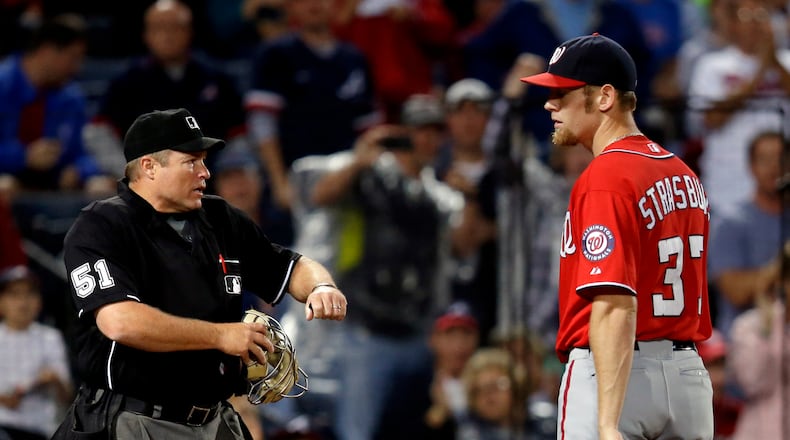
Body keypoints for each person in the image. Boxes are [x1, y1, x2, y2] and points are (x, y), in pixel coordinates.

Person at [52, 107, 347, 440]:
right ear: (149, 167)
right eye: (191, 162)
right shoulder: (103, 225)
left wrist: (321, 286)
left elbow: (292, 266)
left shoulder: (220, 218)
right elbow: (120, 322)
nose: (205, 173)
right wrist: (220, 336)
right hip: (136, 419)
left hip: (214, 415)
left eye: (203, 161)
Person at [520, 33, 713, 439]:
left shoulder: (605, 177)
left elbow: (613, 304)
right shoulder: (683, 172)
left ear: (605, 97)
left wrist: (608, 424)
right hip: (688, 377)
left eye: (564, 93)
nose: (549, 104)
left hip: (616, 374)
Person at [83, 0, 248, 180]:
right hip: (146, 179)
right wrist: (130, 173)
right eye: (159, 28)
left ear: (190, 32)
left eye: (175, 28)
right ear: (146, 35)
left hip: (209, 176)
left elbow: (239, 134)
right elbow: (99, 132)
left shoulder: (216, 78)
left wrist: (226, 168)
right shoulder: (127, 82)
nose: (167, 36)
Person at [0, 13, 112, 196]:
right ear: (47, 52)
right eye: (73, 58)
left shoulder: (71, 97)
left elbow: (82, 151)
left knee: (101, 187)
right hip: (8, 178)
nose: (77, 68)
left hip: (56, 182)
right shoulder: (3, 84)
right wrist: (23, 157)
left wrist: (81, 170)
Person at [708, 131, 783, 339]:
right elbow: (736, 292)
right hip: (746, 340)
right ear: (750, 166)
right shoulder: (730, 222)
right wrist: (782, 266)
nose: (774, 168)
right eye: (765, 160)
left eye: (781, 159)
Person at [0, 266, 73, 440]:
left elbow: (67, 396)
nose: (22, 302)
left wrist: (54, 379)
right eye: (14, 295)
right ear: (1, 301)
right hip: (4, 423)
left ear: (39, 301)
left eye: (29, 294)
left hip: (40, 428)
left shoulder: (51, 337)